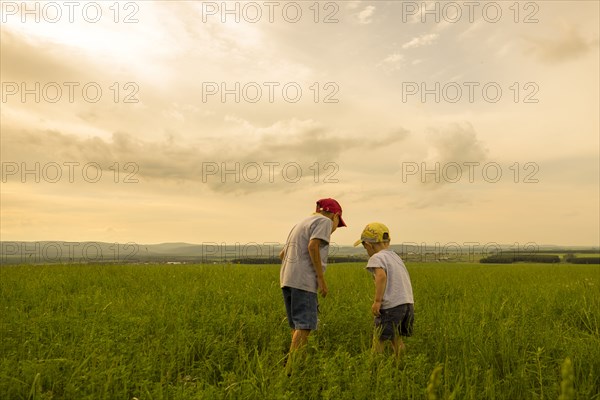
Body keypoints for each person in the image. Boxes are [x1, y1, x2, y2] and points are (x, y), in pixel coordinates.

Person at [279, 198, 347, 370]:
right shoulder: (324, 221)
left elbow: (282, 254)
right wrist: (321, 279)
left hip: (287, 279)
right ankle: (290, 371)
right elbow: (313, 246)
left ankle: (297, 362)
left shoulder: (301, 223)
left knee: (296, 326)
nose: (334, 230)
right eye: (337, 224)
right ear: (335, 216)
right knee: (305, 325)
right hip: (304, 281)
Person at [354, 222, 414, 358]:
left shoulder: (376, 257)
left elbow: (381, 276)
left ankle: (374, 364)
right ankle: (402, 363)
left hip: (391, 306)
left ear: (368, 245)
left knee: (379, 338)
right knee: (396, 337)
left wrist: (377, 301)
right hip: (406, 304)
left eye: (365, 248)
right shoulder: (395, 256)